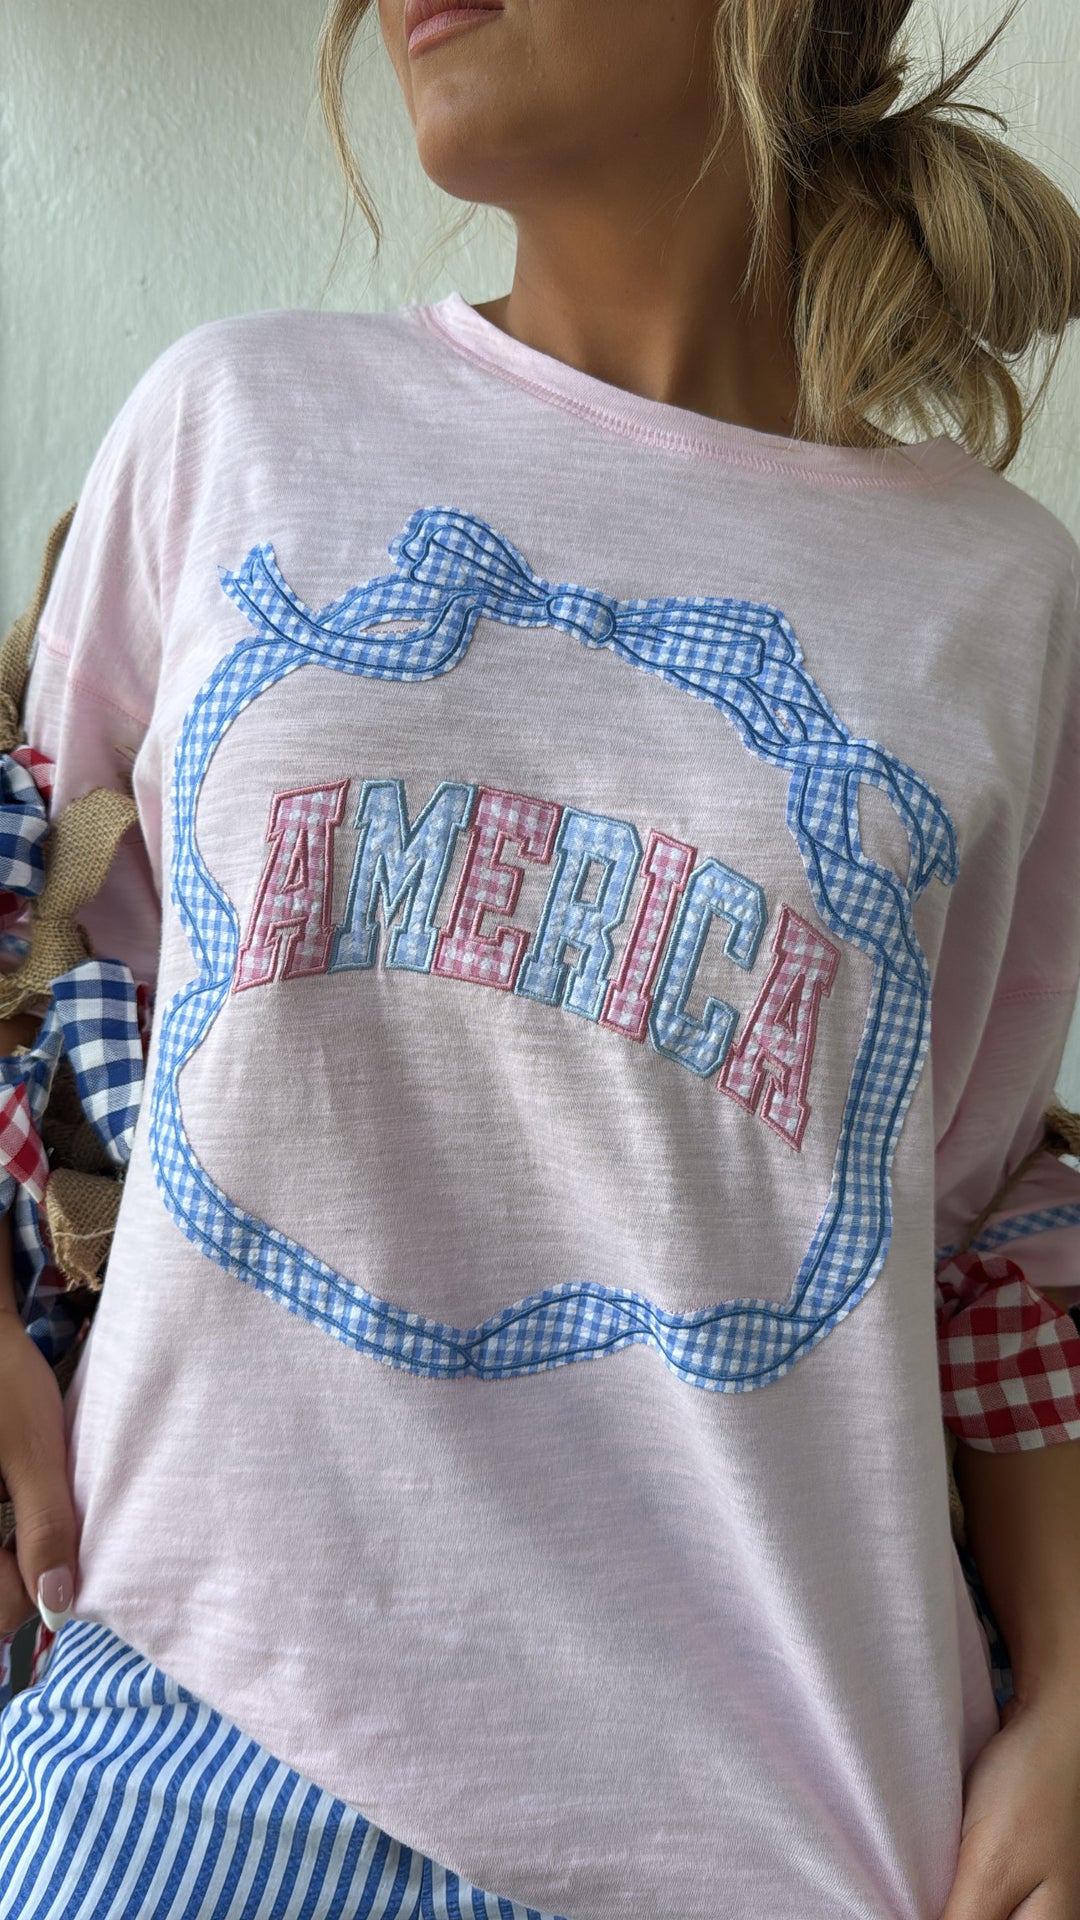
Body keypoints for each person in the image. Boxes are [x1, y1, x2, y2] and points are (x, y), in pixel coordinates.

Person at [1, 0, 1080, 1914]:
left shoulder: (1005, 601)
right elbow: (31, 957)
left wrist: (1074, 1695)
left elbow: (985, 1238)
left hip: (786, 1836)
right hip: (192, 1744)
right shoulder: (240, 422)